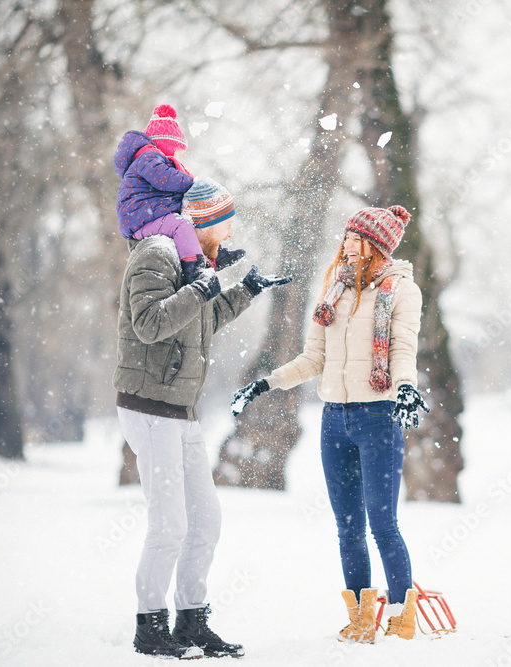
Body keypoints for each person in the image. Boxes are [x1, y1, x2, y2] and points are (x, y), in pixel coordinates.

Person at [231, 205, 430, 643]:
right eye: (347, 237)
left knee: (383, 525)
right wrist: (267, 383)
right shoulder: (333, 291)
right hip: (334, 420)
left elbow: (402, 349)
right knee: (348, 528)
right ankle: (360, 619)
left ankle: (401, 617)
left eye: (358, 239)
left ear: (378, 246)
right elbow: (313, 359)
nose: (348, 245)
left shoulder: (401, 290)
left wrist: (405, 387)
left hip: (377, 418)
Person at [113, 178, 291, 658]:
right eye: (225, 221)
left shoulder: (193, 261)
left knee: (205, 521)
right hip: (150, 408)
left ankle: (191, 621)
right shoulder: (156, 254)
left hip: (181, 411)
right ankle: (150, 627)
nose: (230, 232)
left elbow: (200, 323)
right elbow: (149, 324)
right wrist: (199, 287)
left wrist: (245, 290)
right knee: (169, 524)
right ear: (205, 222)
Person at [113, 104, 244, 285]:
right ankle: (193, 268)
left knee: (189, 221)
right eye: (178, 154)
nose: (178, 160)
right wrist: (191, 182)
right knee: (181, 225)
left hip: (144, 216)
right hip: (139, 220)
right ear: (167, 146)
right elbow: (165, 178)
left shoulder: (148, 160)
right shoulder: (149, 159)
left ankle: (211, 257)